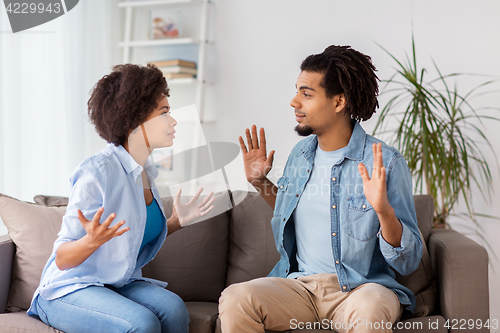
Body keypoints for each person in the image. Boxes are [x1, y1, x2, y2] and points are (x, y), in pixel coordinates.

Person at [219, 45, 423, 333]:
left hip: (360, 290)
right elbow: (292, 208)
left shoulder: (385, 162)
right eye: (297, 91)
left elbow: (409, 260)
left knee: (370, 308)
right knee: (236, 298)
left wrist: (383, 211)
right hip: (301, 290)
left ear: (339, 102)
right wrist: (259, 182)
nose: (294, 101)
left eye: (306, 93)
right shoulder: (300, 154)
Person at [27, 64, 215, 333]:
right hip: (68, 288)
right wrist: (91, 241)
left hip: (114, 282)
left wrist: (175, 222)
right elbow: (63, 258)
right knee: (142, 323)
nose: (173, 121)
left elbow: (133, 234)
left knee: (174, 309)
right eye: (164, 113)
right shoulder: (97, 171)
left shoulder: (146, 171)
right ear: (135, 119)